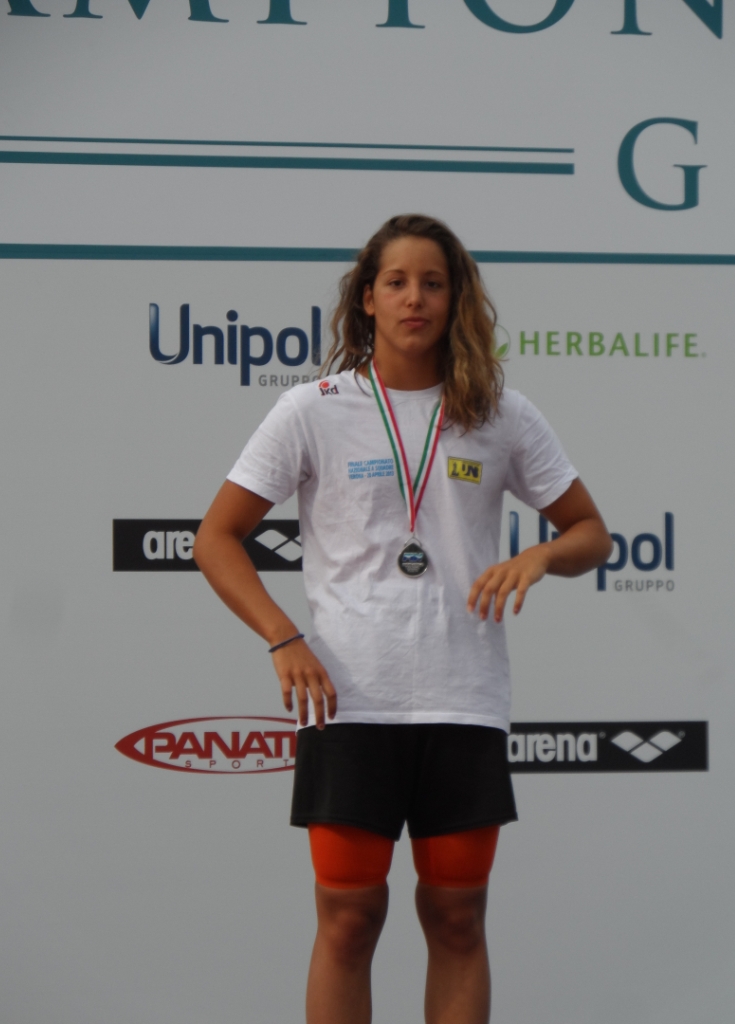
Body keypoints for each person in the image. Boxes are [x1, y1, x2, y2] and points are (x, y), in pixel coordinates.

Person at [194, 214, 612, 1024]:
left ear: (457, 300)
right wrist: (282, 637)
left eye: (432, 282)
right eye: (396, 282)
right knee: (349, 920)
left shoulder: (502, 413)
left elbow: (591, 533)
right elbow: (215, 538)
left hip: (464, 698)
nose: (414, 297)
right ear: (367, 299)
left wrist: (541, 556)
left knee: (456, 919)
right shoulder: (312, 409)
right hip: (348, 700)